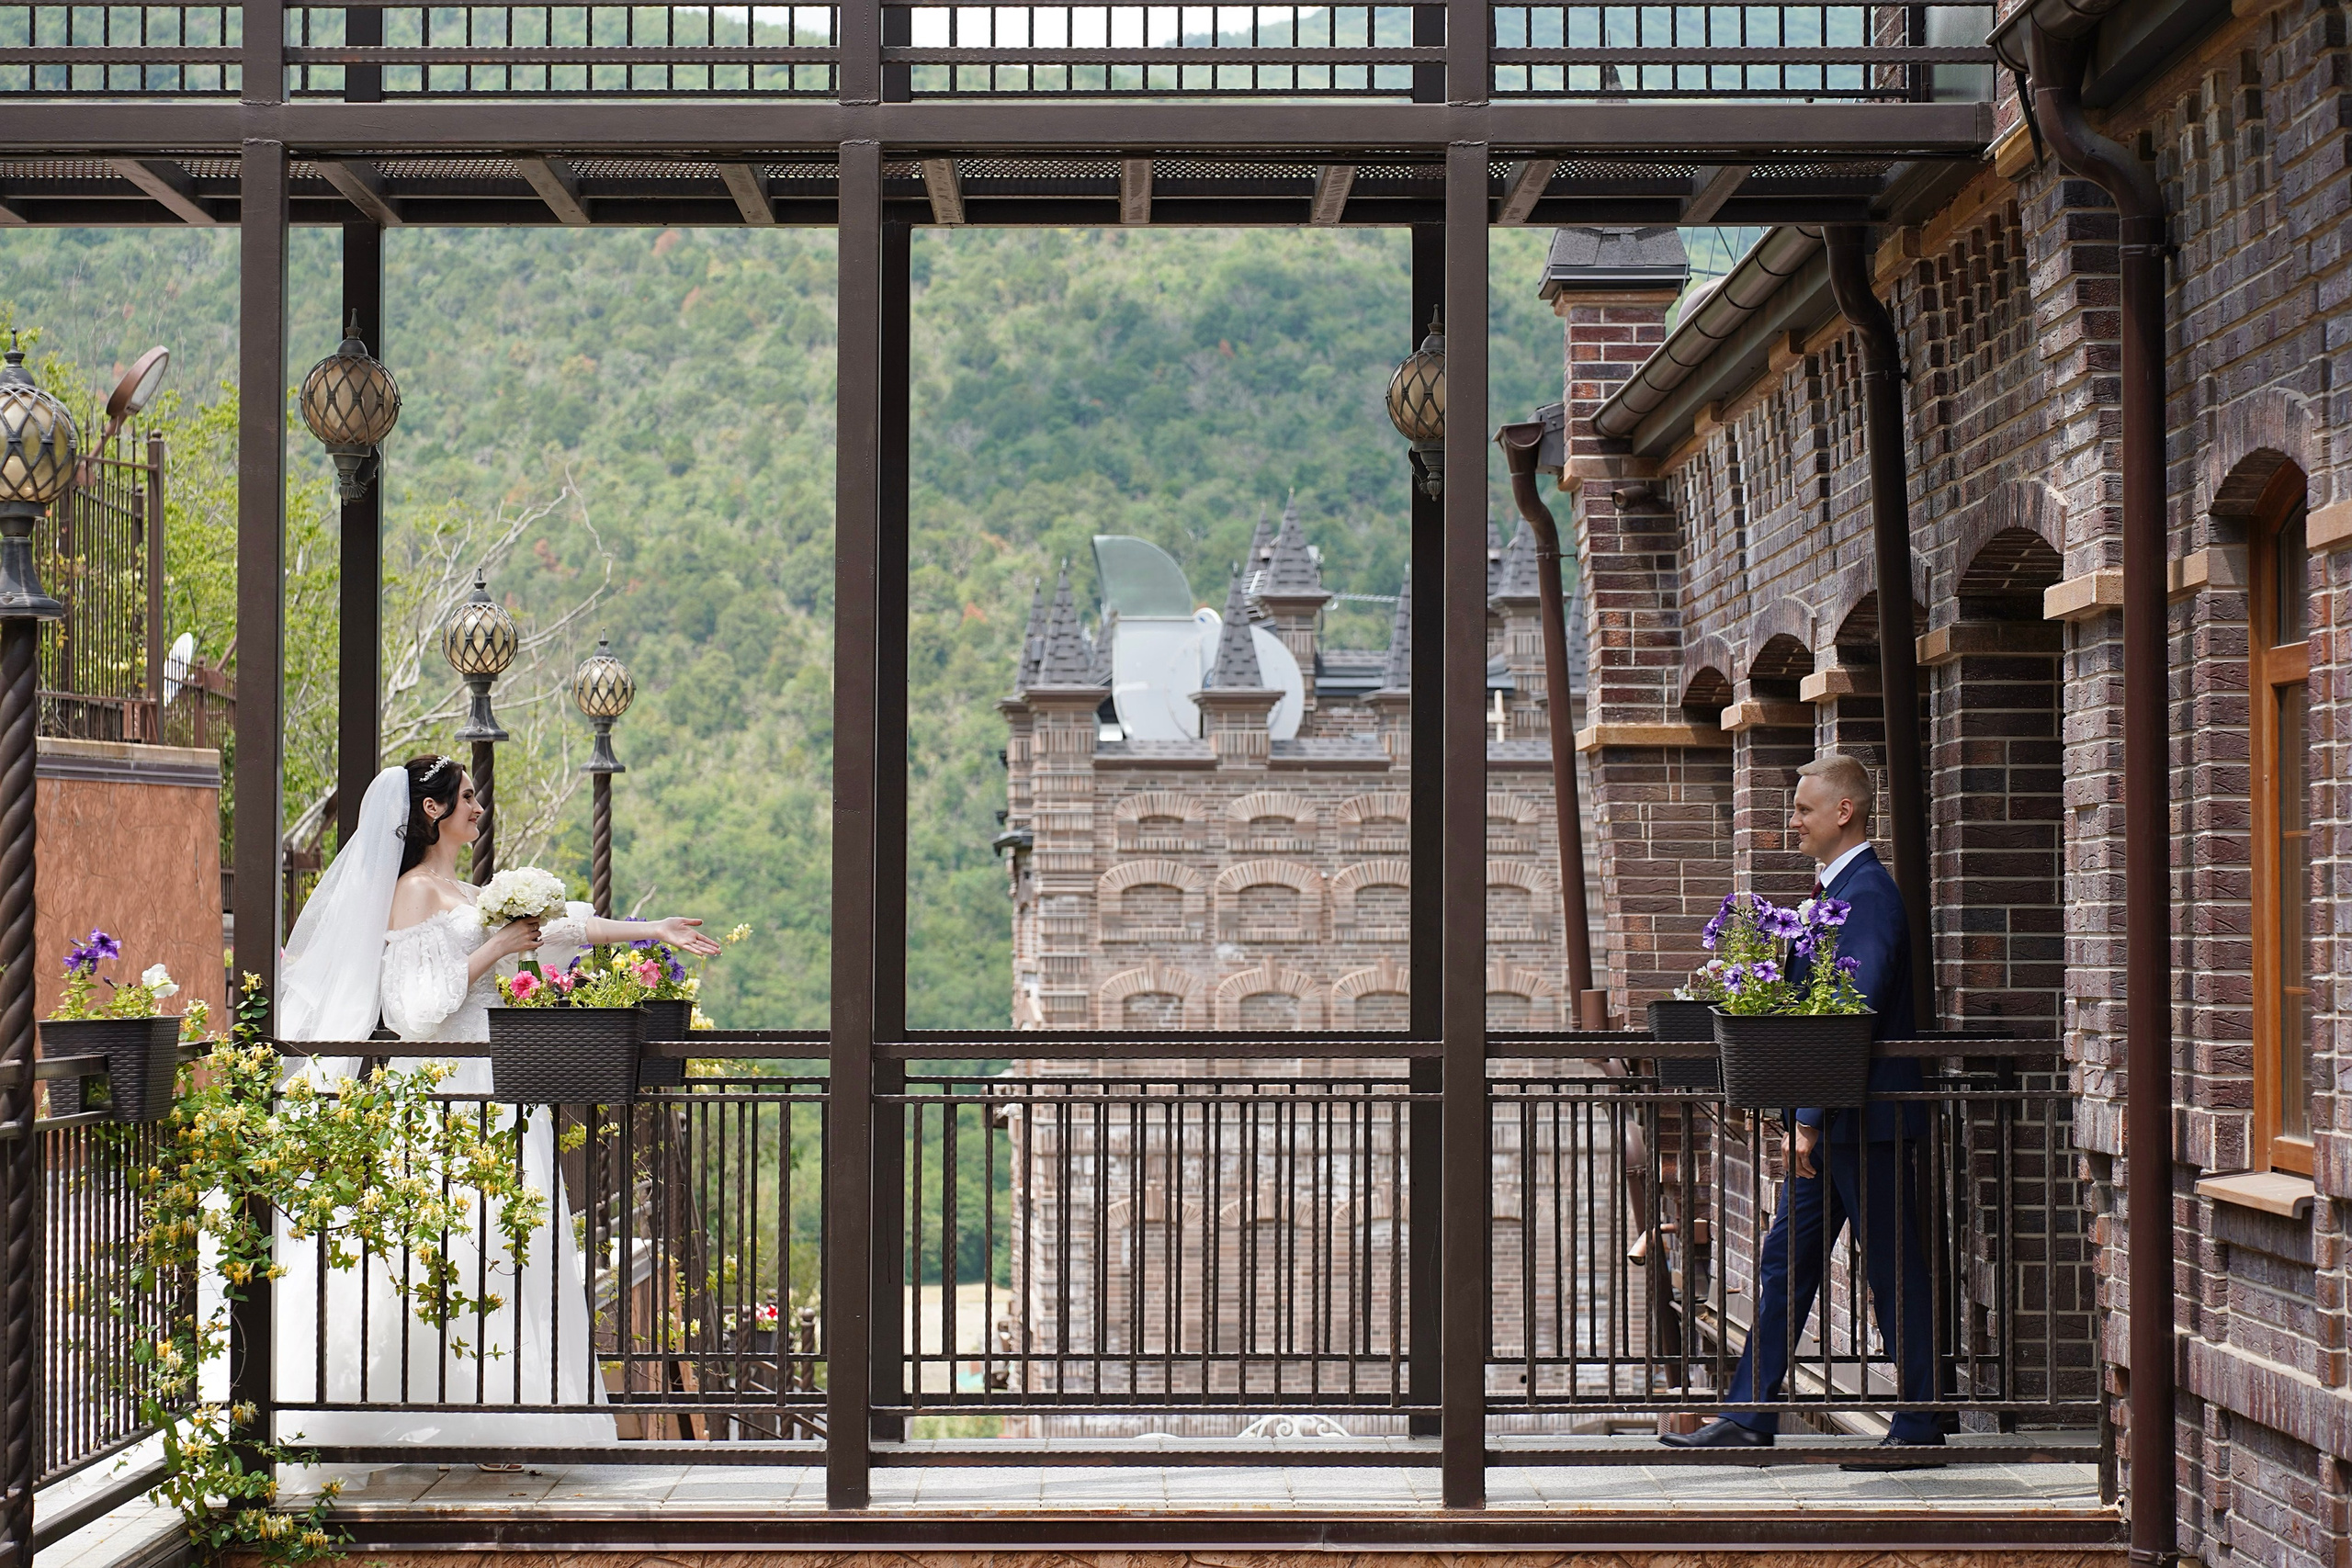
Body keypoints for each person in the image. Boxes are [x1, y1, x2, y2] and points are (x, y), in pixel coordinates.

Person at [273, 756, 721, 1450]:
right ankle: (423, 1417)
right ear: (434, 811)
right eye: (468, 797)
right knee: (445, 1252)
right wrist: (499, 948)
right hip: (445, 1103)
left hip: (502, 1099)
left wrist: (652, 928)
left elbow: (570, 927)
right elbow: (415, 1012)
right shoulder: (413, 892)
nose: (479, 808)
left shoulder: (466, 891)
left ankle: (502, 1423)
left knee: (508, 1256)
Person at [1660, 751, 1943, 1469]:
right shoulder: (1832, 893)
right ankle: (1751, 1413)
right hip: (1835, 1121)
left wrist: (1808, 1120)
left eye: (1803, 809)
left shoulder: (1870, 893)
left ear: (1843, 811)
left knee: (1891, 1267)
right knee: (1787, 1259)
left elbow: (1852, 1005)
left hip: (1865, 1120)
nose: (1793, 823)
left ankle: (1919, 1421)